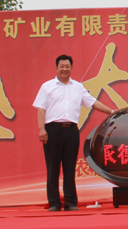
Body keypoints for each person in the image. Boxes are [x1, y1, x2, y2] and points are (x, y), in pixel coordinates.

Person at [34, 54, 114, 211]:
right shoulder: (47, 86)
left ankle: (71, 202)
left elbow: (93, 103)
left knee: (70, 168)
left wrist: (111, 111)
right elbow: (41, 109)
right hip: (52, 130)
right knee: (53, 168)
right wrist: (41, 129)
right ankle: (54, 203)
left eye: (67, 66)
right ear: (56, 68)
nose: (64, 69)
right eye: (62, 66)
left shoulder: (78, 87)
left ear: (71, 68)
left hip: (71, 130)